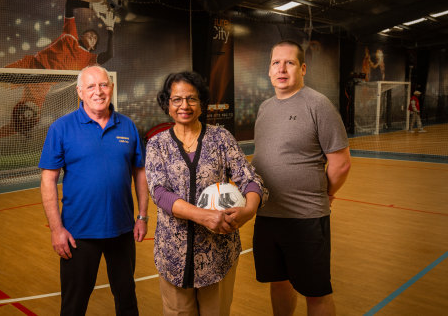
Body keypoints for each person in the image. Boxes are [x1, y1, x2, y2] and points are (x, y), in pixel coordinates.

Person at [145, 71, 267, 315]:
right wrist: (203, 216)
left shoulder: (221, 138)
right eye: (177, 99)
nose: (185, 106)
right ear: (167, 104)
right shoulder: (157, 144)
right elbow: (159, 193)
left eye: (192, 98)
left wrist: (249, 209)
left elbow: (250, 178)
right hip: (173, 257)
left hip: (219, 255)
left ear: (201, 104)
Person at [39, 65, 148, 316]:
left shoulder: (128, 126)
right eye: (90, 86)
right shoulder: (61, 128)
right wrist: (57, 230)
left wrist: (142, 215)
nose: (98, 91)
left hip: (122, 231)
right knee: (74, 305)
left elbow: (139, 173)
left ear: (111, 88)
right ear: (79, 92)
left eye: (103, 85)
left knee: (127, 300)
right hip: (78, 234)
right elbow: (48, 181)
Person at [252, 40, 351, 316]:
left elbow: (341, 163)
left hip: (305, 217)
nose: (281, 69)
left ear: (302, 68)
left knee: (316, 292)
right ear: (269, 70)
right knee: (279, 282)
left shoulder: (318, 104)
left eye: (289, 63)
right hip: (268, 214)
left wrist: (326, 193)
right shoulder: (264, 108)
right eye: (276, 63)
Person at [0, 0, 117, 158]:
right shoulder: (70, 35)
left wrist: (110, 29)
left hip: (42, 83)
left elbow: (109, 54)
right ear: (82, 35)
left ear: (94, 46)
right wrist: (93, 5)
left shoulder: (88, 60)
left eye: (94, 38)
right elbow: (70, 4)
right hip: (30, 66)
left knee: (26, 122)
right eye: (89, 33)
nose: (91, 36)